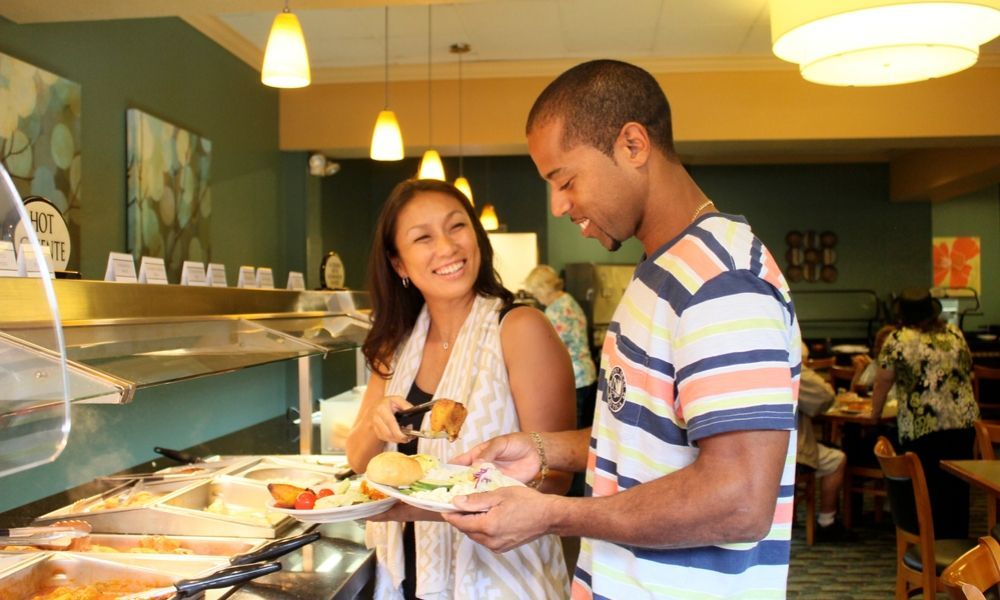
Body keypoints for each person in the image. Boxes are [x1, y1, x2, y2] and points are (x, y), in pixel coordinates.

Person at [442, 60, 801, 599]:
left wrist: (552, 515)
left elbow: (739, 500)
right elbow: (650, 440)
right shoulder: (661, 272)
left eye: (565, 180)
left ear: (633, 145)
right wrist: (543, 450)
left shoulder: (722, 283)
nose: (560, 204)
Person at [345, 179, 575, 599]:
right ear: (399, 264)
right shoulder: (395, 344)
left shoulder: (521, 329)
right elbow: (358, 460)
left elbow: (556, 477)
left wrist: (431, 505)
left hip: (502, 577)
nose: (448, 247)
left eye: (457, 227)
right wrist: (378, 425)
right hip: (405, 573)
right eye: (423, 238)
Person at [869, 287, 979, 539]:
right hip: (963, 423)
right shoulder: (954, 334)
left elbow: (882, 382)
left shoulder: (898, 340)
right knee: (956, 489)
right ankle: (957, 549)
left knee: (927, 490)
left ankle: (930, 548)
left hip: (923, 425)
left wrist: (874, 416)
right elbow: (966, 370)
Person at [525, 265, 598, 497]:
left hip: (573, 378)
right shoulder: (570, 301)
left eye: (535, 291)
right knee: (583, 437)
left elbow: (545, 351)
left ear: (542, 288)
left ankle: (572, 493)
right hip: (587, 373)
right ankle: (585, 487)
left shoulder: (553, 312)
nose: (535, 296)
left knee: (568, 439)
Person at [797, 343, 847, 539]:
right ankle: (827, 522)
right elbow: (825, 397)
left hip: (750, 450)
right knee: (837, 458)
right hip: (788, 454)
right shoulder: (790, 367)